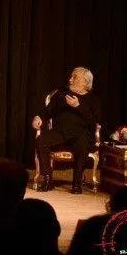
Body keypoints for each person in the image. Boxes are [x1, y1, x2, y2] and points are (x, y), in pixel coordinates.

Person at [32, 66, 102, 194]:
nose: (70, 80)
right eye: (71, 77)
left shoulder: (93, 99)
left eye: (74, 77)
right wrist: (39, 118)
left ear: (85, 82)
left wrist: (78, 106)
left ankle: (77, 183)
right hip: (60, 132)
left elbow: (94, 122)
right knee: (41, 140)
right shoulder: (61, 94)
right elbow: (47, 111)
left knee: (83, 144)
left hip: (81, 134)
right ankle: (47, 178)